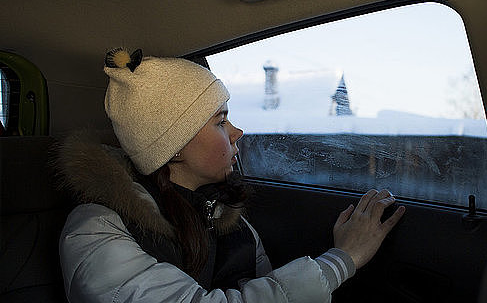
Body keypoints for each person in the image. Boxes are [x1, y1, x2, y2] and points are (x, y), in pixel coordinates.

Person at [58, 47, 406, 303]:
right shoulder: (96, 229)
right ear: (173, 145)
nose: (237, 131)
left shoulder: (227, 217)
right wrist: (341, 260)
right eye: (221, 121)